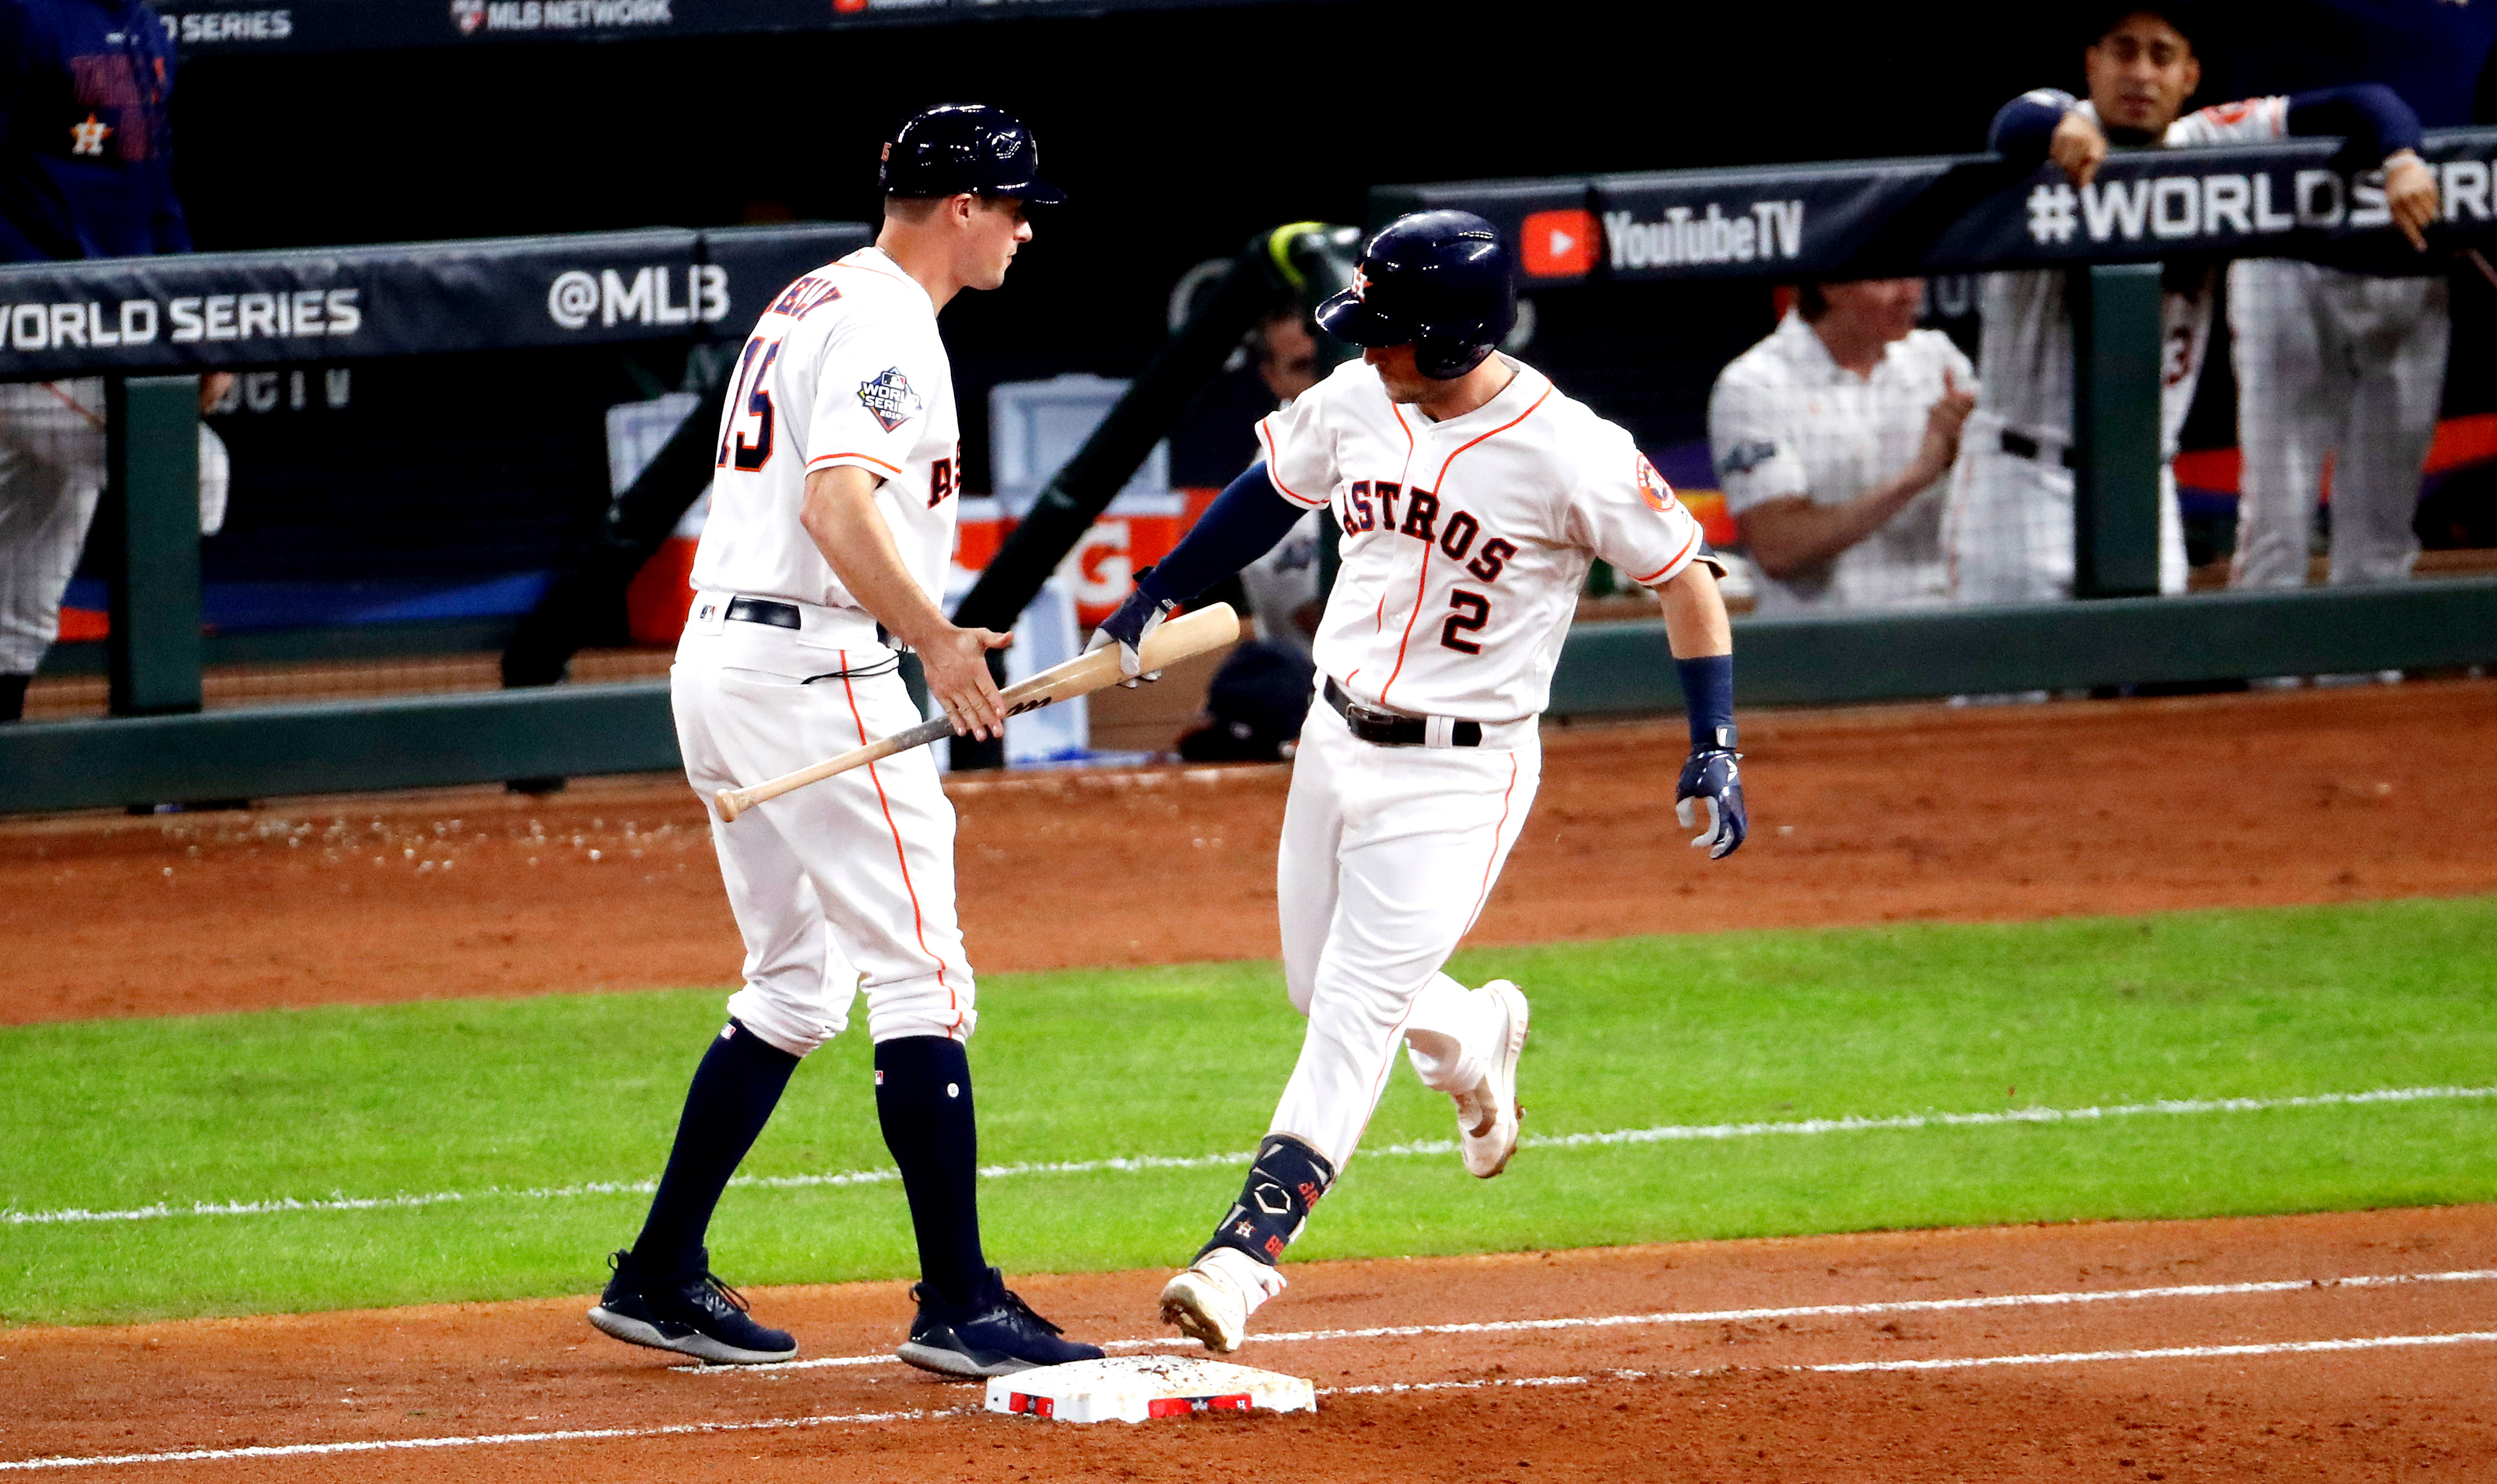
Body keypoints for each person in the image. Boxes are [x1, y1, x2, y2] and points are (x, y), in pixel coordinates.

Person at [1086, 210, 1746, 1353]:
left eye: (1385, 331)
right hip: (1331, 737)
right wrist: (1158, 586)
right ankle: (1472, 1031)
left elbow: (1687, 580)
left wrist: (1713, 739)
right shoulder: (1359, 397)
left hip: (1460, 771)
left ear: (1448, 338)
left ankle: (1241, 1257)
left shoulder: (1570, 449)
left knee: (1347, 1013)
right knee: (1318, 982)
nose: (1363, 346)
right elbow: (1268, 485)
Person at [585, 103, 1103, 1379]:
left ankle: (657, 1274)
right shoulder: (889, 324)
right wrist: (933, 635)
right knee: (924, 974)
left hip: (726, 658)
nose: (1029, 231)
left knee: (794, 985)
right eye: (1018, 206)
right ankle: (960, 1302)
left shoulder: (817, 295)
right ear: (963, 208)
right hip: (812, 665)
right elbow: (835, 507)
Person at [1950, 4, 2437, 604]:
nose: (2141, 74)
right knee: (2009, 695)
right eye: (2124, 51)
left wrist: (2402, 156)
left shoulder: (2209, 139)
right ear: (2092, 63)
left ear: (2190, 75)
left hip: (2143, 483)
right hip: (2018, 476)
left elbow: (2365, 103)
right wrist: (2060, 133)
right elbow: (2014, 123)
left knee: (2143, 689)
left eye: (2162, 55)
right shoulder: (2057, 118)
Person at [2212, 1, 2497, 589]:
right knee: (2275, 523)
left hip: (2414, 265)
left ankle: (2372, 671)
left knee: (2385, 527)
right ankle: (2272, 675)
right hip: (2289, 255)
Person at [0, 0, 230, 721]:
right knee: (185, 470)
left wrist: (197, 331)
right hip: (26, 325)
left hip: (103, 334)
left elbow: (155, 190)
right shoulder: (24, 14)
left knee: (40, 532)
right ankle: (159, 731)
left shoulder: (142, 23)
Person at [1707, 278, 1974, 613]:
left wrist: (1972, 455)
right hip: (1824, 641)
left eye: (1914, 273)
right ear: (1830, 285)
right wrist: (1918, 475)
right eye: (1887, 278)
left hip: (1943, 622)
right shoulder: (1755, 384)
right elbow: (1777, 547)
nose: (1910, 294)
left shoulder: (1937, 359)